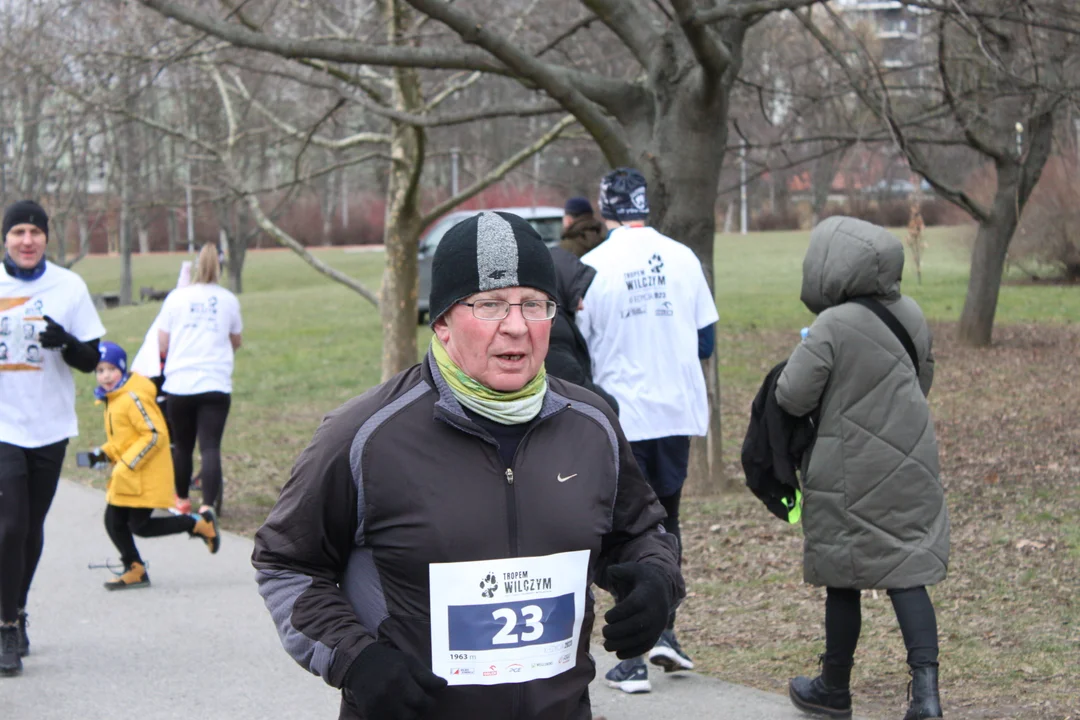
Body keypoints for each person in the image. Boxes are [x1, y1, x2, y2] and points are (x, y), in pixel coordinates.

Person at [253, 210, 684, 720]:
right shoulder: (364, 436)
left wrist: (657, 580)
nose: (517, 327)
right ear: (442, 321)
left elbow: (641, 531)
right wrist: (356, 659)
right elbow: (287, 563)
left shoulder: (591, 424)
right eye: (491, 305)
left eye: (535, 305)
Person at [775, 216, 948, 720]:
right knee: (907, 571)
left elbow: (792, 395)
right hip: (911, 461)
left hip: (846, 473)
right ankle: (927, 696)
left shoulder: (832, 324)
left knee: (843, 577)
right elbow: (924, 378)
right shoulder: (911, 313)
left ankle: (833, 687)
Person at [576, 168, 719, 693]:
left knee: (623, 531)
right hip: (675, 411)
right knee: (666, 524)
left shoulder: (591, 267)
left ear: (606, 209)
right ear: (645, 207)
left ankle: (633, 654)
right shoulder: (683, 258)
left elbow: (581, 348)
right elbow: (706, 341)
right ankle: (666, 632)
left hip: (622, 415)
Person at [0, 200, 105, 677]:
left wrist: (66, 341)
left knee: (32, 527)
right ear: (5, 238)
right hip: (3, 424)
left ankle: (17, 610)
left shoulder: (69, 286)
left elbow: (91, 360)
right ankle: (4, 628)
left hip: (49, 425)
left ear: (46, 238)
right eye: (18, 231)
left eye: (35, 232)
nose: (27, 240)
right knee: (10, 526)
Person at [85, 342, 220, 591]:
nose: (104, 375)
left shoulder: (133, 397)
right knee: (125, 523)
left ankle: (197, 524)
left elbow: (154, 435)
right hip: (130, 474)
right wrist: (100, 456)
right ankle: (136, 567)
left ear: (123, 370)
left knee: (131, 524)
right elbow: (123, 441)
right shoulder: (113, 399)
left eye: (111, 369)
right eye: (100, 370)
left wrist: (127, 463)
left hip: (145, 474)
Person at [158, 244, 242, 516]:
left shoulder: (176, 298)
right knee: (210, 446)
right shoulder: (228, 299)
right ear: (220, 268)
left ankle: (181, 500)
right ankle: (208, 506)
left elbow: (162, 341)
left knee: (182, 445)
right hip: (215, 383)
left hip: (180, 383)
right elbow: (236, 340)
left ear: (194, 267)